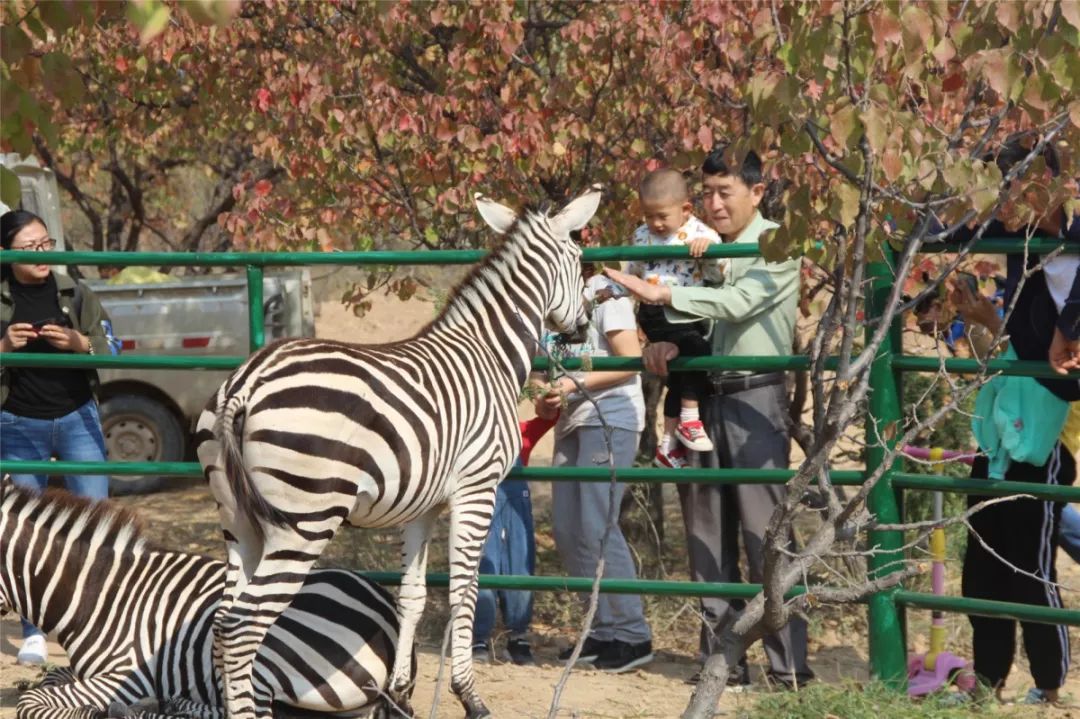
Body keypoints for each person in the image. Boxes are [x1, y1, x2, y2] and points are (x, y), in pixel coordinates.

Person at [604, 147, 813, 689]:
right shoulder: (688, 245)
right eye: (710, 193)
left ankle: (789, 668)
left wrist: (665, 293)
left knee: (764, 534)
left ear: (757, 192)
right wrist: (657, 345)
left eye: (727, 193)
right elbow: (677, 321)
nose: (716, 205)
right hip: (696, 392)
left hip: (753, 396)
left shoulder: (776, 243)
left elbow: (740, 301)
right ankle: (722, 662)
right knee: (704, 533)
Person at [948, 138, 1079, 705]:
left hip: (1051, 432)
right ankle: (990, 683)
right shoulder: (1022, 249)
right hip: (1006, 428)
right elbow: (1016, 349)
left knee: (1032, 565)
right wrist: (985, 317)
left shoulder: (1071, 241)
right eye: (1004, 188)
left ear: (1056, 183)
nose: (1009, 200)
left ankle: (1048, 686)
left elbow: (1055, 368)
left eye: (1022, 186)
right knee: (982, 563)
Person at [1, 209, 121, 666]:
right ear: (6, 253)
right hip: (16, 423)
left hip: (77, 420)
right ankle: (33, 631)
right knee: (25, 532)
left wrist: (77, 343)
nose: (41, 254)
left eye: (46, 243)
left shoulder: (76, 292)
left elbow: (114, 346)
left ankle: (99, 625)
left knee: (96, 524)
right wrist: (5, 346)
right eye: (29, 247)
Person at [542, 250, 652, 673]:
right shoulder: (550, 306)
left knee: (597, 524)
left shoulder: (605, 295)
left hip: (611, 418)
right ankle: (602, 629)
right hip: (572, 419)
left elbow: (628, 360)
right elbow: (550, 375)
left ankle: (632, 633)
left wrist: (575, 382)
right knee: (569, 529)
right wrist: (548, 400)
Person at [622, 168, 721, 469]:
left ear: (686, 209)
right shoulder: (641, 236)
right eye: (649, 216)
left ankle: (668, 444)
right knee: (698, 353)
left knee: (681, 372)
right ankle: (690, 420)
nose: (655, 224)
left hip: (688, 311)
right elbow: (631, 274)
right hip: (656, 312)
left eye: (663, 216)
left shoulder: (701, 235)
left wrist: (709, 255)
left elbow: (718, 276)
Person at [471, 412, 557, 666]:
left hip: (516, 510)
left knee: (519, 566)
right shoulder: (469, 433)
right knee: (481, 565)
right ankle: (478, 638)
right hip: (480, 505)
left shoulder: (521, 430)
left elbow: (551, 416)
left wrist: (547, 393)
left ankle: (518, 636)